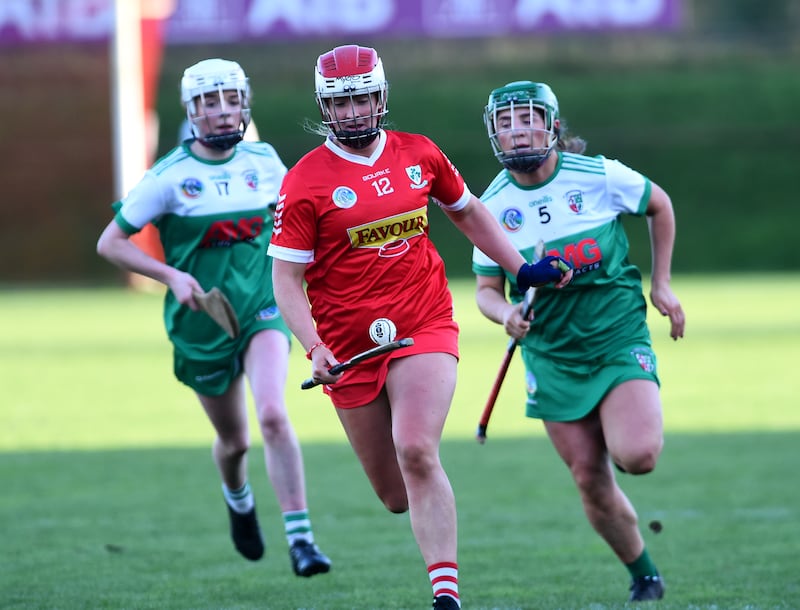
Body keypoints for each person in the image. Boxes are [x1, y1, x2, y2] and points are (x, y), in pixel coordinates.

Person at [268, 46, 571, 610]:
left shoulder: (419, 154)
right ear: (324, 107)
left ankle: (446, 595)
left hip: (423, 320)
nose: (354, 111)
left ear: (381, 96)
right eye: (341, 101)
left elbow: (469, 212)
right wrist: (313, 346)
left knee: (416, 449)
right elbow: (285, 279)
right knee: (393, 494)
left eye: (362, 97)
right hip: (347, 347)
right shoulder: (303, 183)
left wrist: (520, 267)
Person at [96, 58, 331, 578]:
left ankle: (302, 540)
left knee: (273, 413)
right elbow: (110, 243)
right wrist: (171, 276)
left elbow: (302, 227)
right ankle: (238, 497)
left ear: (244, 104)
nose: (223, 113)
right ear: (191, 111)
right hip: (202, 323)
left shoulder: (267, 162)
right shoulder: (168, 177)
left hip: (262, 309)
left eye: (230, 100)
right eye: (209, 103)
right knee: (235, 441)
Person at [472, 81, 686, 602]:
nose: (517, 130)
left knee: (637, 456)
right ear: (493, 132)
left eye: (528, 118)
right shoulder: (491, 205)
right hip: (551, 354)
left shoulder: (597, 176)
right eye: (505, 122)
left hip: (615, 333)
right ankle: (644, 573)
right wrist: (505, 316)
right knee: (589, 478)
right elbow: (484, 290)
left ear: (552, 125)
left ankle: (621, 426)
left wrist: (661, 284)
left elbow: (660, 205)